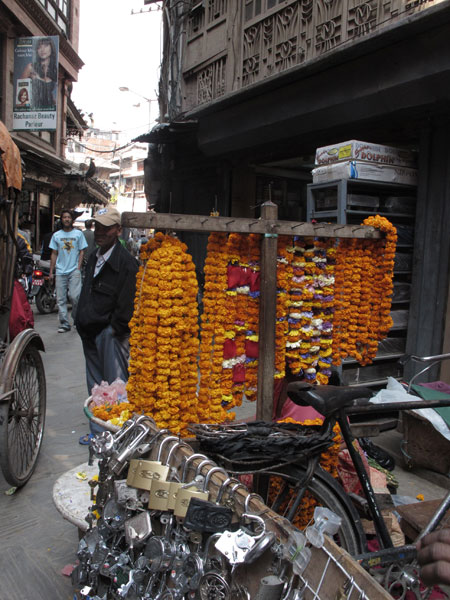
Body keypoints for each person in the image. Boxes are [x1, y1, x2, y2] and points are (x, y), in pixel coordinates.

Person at [75, 205, 138, 442]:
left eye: (106, 228)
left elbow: (127, 305)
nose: (100, 232)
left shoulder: (126, 263)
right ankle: (99, 434)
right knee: (95, 388)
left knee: (116, 387)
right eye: (97, 227)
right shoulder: (94, 256)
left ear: (118, 230)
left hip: (110, 334)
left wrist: (114, 330)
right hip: (89, 331)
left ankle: (118, 437)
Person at [49, 209, 87, 333]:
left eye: (68, 217)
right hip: (60, 271)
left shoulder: (78, 234)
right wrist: (51, 271)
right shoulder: (56, 235)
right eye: (64, 217)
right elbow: (54, 253)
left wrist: (78, 266)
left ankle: (76, 318)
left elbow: (82, 251)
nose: (66, 219)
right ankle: (64, 323)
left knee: (75, 297)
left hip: (74, 270)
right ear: (61, 219)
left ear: (72, 220)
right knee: (60, 299)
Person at [21, 37, 58, 109]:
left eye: (46, 46)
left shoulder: (54, 70)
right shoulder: (31, 67)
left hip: (48, 113)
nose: (42, 50)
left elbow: (48, 93)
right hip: (33, 111)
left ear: (51, 48)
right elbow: (20, 91)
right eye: (39, 47)